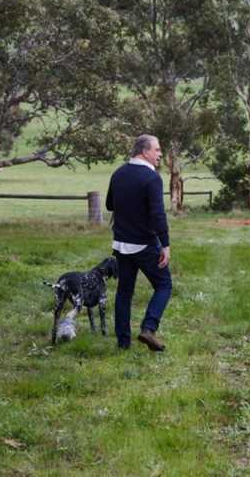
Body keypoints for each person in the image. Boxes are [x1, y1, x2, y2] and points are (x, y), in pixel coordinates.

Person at [105, 134, 171, 352]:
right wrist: (165, 244)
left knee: (124, 292)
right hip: (144, 243)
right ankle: (149, 328)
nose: (160, 154)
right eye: (157, 150)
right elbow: (157, 215)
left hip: (121, 244)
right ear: (145, 151)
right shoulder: (151, 178)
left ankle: (123, 343)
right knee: (163, 285)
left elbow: (109, 204)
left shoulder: (118, 173)